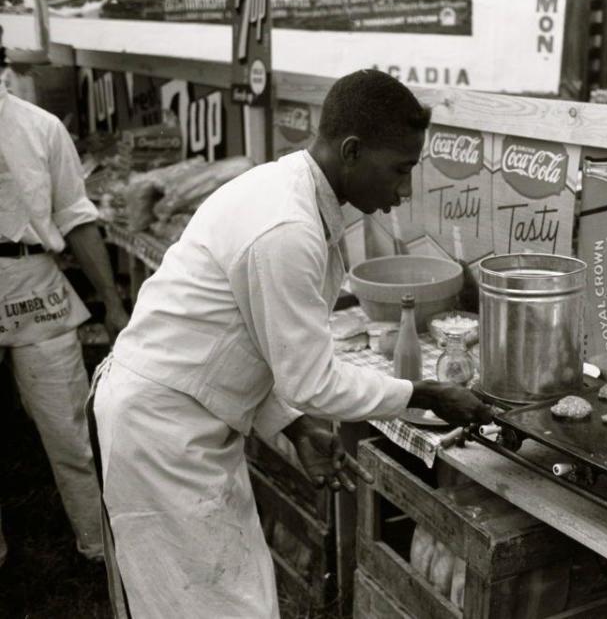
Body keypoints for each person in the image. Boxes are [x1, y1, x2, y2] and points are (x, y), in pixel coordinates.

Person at [91, 69, 494, 617]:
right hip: (162, 430)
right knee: (210, 605)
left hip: (185, 417)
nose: (404, 191)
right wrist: (426, 394)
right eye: (400, 170)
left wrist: (296, 426)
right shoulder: (287, 226)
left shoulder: (292, 196)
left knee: (224, 595)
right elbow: (311, 380)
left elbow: (253, 341)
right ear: (351, 150)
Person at [0, 37, 129, 568]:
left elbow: (76, 217)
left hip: (34, 281)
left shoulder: (39, 127)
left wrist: (112, 303)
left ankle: (99, 544)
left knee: (69, 426)